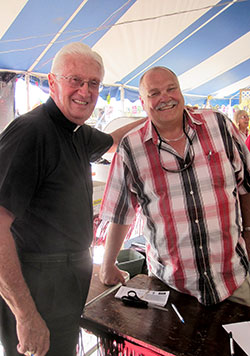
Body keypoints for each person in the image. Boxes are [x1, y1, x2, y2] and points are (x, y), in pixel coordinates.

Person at [0, 42, 145, 356]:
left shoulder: (76, 131)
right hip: (36, 288)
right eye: (75, 80)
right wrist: (25, 315)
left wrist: (157, 116)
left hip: (66, 282)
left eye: (93, 83)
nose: (85, 90)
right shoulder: (31, 132)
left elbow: (114, 142)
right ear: (52, 83)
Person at [99, 66, 250, 308]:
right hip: (171, 288)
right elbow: (120, 213)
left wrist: (249, 234)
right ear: (143, 101)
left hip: (234, 278)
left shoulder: (219, 126)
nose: (165, 98)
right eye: (154, 93)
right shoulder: (130, 148)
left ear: (181, 91)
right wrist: (107, 265)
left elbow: (247, 187)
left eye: (171, 89)